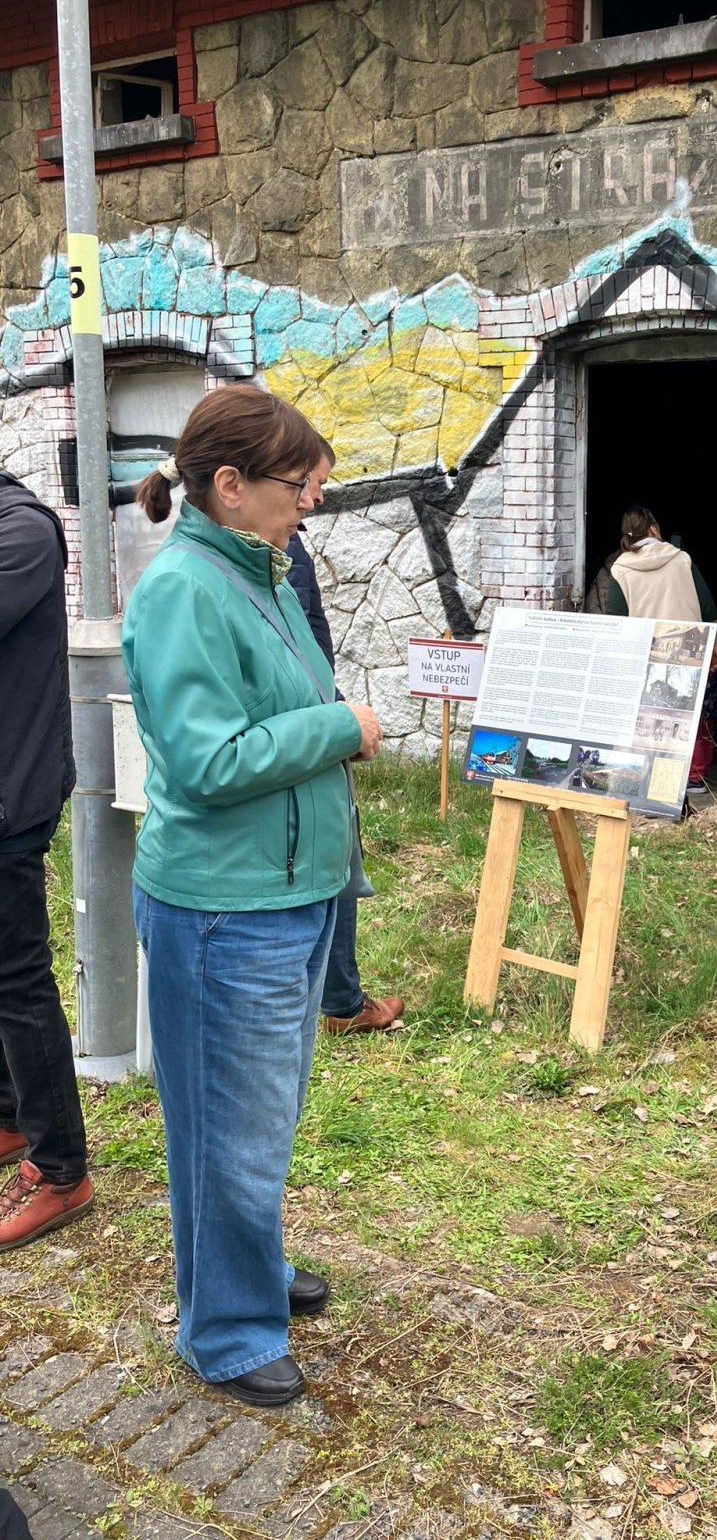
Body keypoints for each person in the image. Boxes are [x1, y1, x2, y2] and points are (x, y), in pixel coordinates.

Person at [122, 385, 384, 1409]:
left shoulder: (256, 571)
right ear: (230, 487)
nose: (312, 500)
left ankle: (250, 1271)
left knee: (258, 1122)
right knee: (225, 1130)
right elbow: (208, 760)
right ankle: (226, 1332)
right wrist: (340, 726)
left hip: (283, 896)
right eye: (300, 483)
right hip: (224, 911)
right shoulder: (185, 590)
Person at [0, 468, 92, 1251]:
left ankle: (61, 1169)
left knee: (18, 981)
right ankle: (8, 1117)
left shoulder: (21, 532)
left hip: (8, 799)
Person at [284, 445, 404, 1035]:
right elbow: (294, 654)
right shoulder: (276, 553)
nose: (318, 497)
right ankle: (340, 1001)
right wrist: (340, 723)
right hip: (311, 734)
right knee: (336, 860)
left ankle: (334, 996)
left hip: (316, 724)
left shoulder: (280, 545)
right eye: (314, 481)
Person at [606, 505, 717, 794]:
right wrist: (715, 644)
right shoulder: (681, 559)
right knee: (685, 716)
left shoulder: (620, 569)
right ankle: (687, 781)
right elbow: (707, 607)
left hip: (646, 654)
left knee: (649, 720)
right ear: (654, 528)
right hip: (688, 651)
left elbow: (616, 621)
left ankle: (648, 784)